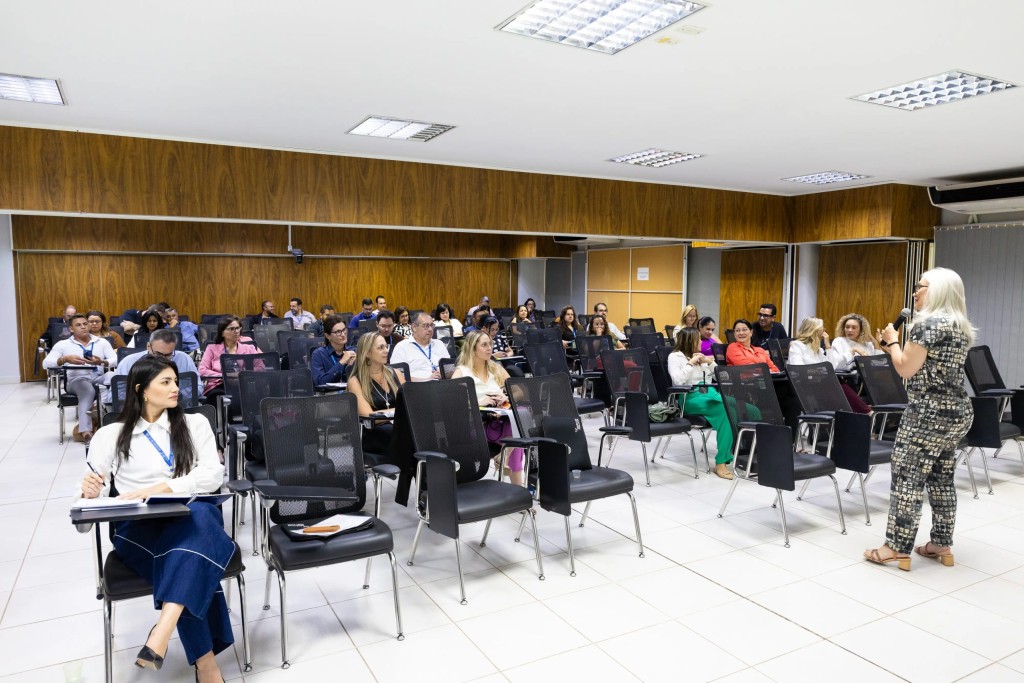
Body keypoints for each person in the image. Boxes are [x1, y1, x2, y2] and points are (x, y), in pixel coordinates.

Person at [76, 356, 233, 682]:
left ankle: (165, 633)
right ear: (142, 390)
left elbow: (213, 474)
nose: (176, 388)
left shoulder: (195, 424)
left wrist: (164, 487)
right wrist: (89, 492)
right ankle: (202, 662)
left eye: (176, 381)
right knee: (193, 556)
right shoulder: (111, 434)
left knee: (201, 516)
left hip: (188, 516)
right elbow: (89, 504)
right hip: (137, 528)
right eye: (166, 382)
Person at [864, 268, 975, 570]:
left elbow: (905, 368)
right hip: (957, 412)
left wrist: (892, 342)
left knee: (907, 478)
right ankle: (941, 543)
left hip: (927, 413)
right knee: (941, 478)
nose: (915, 292)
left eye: (920, 287)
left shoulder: (926, 325)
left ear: (937, 290)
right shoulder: (960, 325)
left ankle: (895, 547)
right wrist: (893, 347)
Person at [451, 331, 525, 485]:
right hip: (476, 425)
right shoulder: (461, 372)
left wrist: (506, 397)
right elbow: (452, 403)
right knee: (515, 437)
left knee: (519, 417)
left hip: (499, 421)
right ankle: (517, 483)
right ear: (473, 349)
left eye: (490, 344)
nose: (489, 348)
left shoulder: (495, 368)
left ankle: (505, 457)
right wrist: (478, 402)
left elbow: (519, 392)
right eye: (484, 345)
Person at [667, 327, 734, 480]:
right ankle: (721, 462)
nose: (702, 342)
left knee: (749, 408)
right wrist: (690, 363)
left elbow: (724, 377)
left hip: (710, 394)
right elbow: (677, 380)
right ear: (690, 340)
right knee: (725, 409)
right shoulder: (675, 357)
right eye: (699, 339)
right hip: (689, 397)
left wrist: (710, 362)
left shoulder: (701, 356)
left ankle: (744, 453)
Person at [42, 314, 117, 441]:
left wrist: (102, 362)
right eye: (78, 325)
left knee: (113, 376)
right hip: (76, 381)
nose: (83, 327)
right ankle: (86, 432)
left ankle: (96, 408)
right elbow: (46, 363)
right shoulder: (63, 344)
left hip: (97, 378)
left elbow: (116, 359)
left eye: (85, 324)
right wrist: (64, 359)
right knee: (88, 389)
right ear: (71, 329)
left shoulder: (101, 342)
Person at [787, 317, 870, 413]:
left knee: (838, 382)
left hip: (821, 382)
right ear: (814, 330)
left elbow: (831, 367)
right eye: (822, 329)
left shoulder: (818, 349)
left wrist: (828, 346)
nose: (824, 331)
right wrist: (820, 371)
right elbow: (797, 369)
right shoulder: (797, 345)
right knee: (837, 384)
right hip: (806, 383)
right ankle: (865, 411)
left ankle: (860, 412)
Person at [347, 332, 405, 455]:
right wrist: (399, 411)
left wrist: (396, 413)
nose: (386, 351)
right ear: (367, 353)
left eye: (386, 346)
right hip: (375, 431)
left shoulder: (396, 373)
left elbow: (410, 405)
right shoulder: (355, 382)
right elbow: (368, 416)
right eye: (380, 348)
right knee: (402, 433)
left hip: (398, 425)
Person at [198, 316, 260, 398]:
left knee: (250, 396)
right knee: (219, 397)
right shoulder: (211, 348)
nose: (236, 331)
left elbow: (260, 367)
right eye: (231, 329)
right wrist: (224, 375)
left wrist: (242, 375)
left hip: (244, 384)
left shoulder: (249, 348)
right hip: (219, 385)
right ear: (222, 333)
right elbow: (202, 370)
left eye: (238, 328)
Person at [389, 312, 450, 380]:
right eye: (426, 326)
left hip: (443, 383)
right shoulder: (401, 347)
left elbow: (450, 370)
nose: (430, 329)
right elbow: (398, 377)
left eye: (432, 325)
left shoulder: (439, 344)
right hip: (417, 385)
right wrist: (427, 379)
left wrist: (444, 374)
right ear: (414, 327)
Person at [310, 314, 356, 385]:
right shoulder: (318, 354)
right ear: (327, 336)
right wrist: (341, 362)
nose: (343, 334)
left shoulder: (354, 351)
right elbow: (319, 382)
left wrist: (356, 365)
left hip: (351, 391)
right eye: (338, 332)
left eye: (344, 330)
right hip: (330, 392)